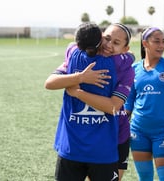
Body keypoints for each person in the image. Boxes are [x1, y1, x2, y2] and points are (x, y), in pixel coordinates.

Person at [45, 23, 134, 181]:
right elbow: (50, 83)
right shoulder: (79, 57)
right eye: (107, 39)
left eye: (116, 43)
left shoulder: (74, 54)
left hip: (104, 144)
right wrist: (81, 77)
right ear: (100, 36)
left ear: (125, 48)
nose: (108, 45)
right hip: (79, 147)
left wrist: (78, 93)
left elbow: (113, 107)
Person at [124, 27, 164, 181]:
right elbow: (129, 100)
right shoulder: (134, 69)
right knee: (145, 178)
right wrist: (122, 123)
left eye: (163, 42)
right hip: (138, 132)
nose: (161, 45)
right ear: (145, 43)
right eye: (157, 41)